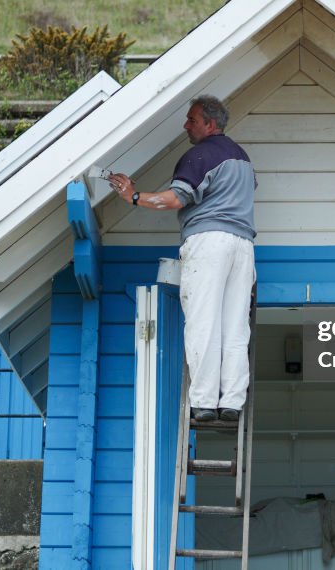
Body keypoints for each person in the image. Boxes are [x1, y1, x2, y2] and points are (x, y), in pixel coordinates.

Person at [109, 95, 256, 423]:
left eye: (192, 120)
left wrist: (133, 195)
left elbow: (175, 199)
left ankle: (203, 403)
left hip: (209, 242)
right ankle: (232, 402)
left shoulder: (200, 155)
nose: (186, 125)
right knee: (235, 326)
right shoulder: (242, 158)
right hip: (243, 247)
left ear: (210, 124)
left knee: (203, 321)